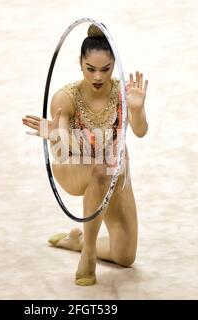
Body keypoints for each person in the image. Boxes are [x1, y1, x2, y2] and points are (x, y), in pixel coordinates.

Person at [22, 24, 148, 286]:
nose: (98, 77)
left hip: (112, 169)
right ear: (80, 63)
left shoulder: (122, 93)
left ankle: (78, 240)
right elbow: (62, 150)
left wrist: (136, 110)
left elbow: (140, 131)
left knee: (125, 256)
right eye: (90, 68)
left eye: (106, 69)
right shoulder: (65, 97)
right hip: (74, 166)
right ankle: (88, 255)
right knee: (99, 170)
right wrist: (55, 134)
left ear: (115, 65)